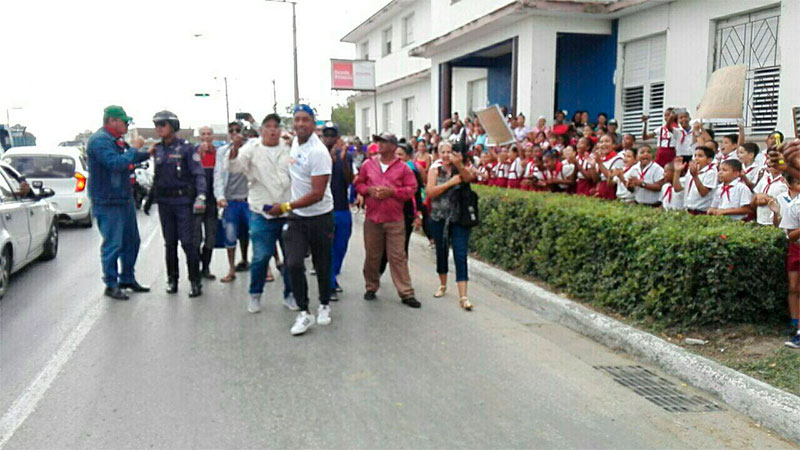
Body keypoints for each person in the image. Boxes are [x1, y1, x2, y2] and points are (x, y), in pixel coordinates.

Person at [265, 105, 334, 336]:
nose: (300, 124)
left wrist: (284, 207)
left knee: (322, 264)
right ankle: (304, 312)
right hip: (297, 218)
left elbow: (317, 194)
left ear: (314, 124)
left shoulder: (319, 152)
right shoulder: (294, 141)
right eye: (297, 120)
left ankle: (324, 303)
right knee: (292, 263)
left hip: (320, 216)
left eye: (306, 120)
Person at [228, 113, 295, 314]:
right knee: (261, 256)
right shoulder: (252, 148)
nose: (273, 130)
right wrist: (235, 148)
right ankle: (255, 294)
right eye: (269, 126)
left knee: (291, 258)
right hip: (261, 212)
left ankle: (290, 294)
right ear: (262, 129)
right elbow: (235, 167)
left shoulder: (288, 147)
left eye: (276, 126)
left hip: (287, 210)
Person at [86, 105, 151, 300]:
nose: (127, 125)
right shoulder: (99, 141)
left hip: (123, 198)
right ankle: (111, 283)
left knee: (132, 241)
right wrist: (136, 149)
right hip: (107, 200)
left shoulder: (116, 140)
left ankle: (127, 278)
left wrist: (150, 152)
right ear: (112, 121)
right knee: (113, 243)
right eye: (124, 122)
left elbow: (129, 155)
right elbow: (116, 163)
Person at [353, 132, 420, 308]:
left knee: (398, 256)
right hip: (373, 218)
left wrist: (392, 192)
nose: (379, 145)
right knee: (372, 255)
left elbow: (411, 189)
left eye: (383, 142)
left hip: (394, 219)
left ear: (393, 146)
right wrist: (369, 191)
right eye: (378, 142)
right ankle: (371, 286)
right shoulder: (368, 165)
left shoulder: (403, 168)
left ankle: (406, 292)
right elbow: (358, 184)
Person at [145, 110, 206, 297]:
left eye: (163, 124)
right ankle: (172, 280)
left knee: (188, 243)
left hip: (183, 202)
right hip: (165, 203)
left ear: (173, 126)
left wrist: (201, 196)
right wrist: (149, 199)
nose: (159, 128)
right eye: (156, 125)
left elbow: (199, 174)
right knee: (169, 243)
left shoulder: (187, 148)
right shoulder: (158, 149)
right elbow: (157, 177)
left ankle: (195, 281)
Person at [427, 142, 476, 311]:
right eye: (443, 152)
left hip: (459, 218)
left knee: (460, 254)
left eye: (450, 152)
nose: (446, 155)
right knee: (442, 251)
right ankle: (442, 284)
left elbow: (469, 178)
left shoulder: (460, 168)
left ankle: (463, 295)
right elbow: (430, 192)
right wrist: (449, 183)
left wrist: (459, 165)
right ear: (438, 154)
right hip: (439, 217)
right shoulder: (435, 169)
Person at [215, 123, 251, 283]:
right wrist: (220, 197)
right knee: (230, 235)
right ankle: (231, 268)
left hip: (250, 200)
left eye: (238, 131)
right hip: (230, 201)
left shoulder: (252, 148)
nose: (235, 134)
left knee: (256, 234)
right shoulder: (222, 152)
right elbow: (218, 176)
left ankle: (264, 268)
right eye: (232, 131)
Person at [322, 122, 354, 301]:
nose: (329, 138)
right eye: (326, 135)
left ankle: (333, 275)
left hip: (342, 208)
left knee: (341, 246)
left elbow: (349, 180)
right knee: (328, 249)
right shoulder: (317, 155)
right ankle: (330, 284)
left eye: (332, 135)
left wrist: (342, 161)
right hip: (325, 210)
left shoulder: (345, 156)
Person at [777, 173, 800, 348]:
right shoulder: (795, 206)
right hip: (797, 248)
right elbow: (790, 235)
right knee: (794, 287)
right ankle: (797, 327)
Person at [196, 126, 218, 280]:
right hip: (197, 200)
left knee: (211, 236)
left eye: (208, 134)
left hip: (212, 201)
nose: (206, 137)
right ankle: (195, 268)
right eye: (203, 134)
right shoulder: (193, 153)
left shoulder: (218, 153)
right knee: (195, 238)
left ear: (213, 136)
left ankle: (206, 267)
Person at [751, 161, 787, 226]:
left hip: (775, 220)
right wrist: (757, 199)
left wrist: (767, 199)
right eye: (768, 166)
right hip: (760, 219)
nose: (770, 167)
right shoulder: (765, 179)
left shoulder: (785, 182)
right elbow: (755, 196)